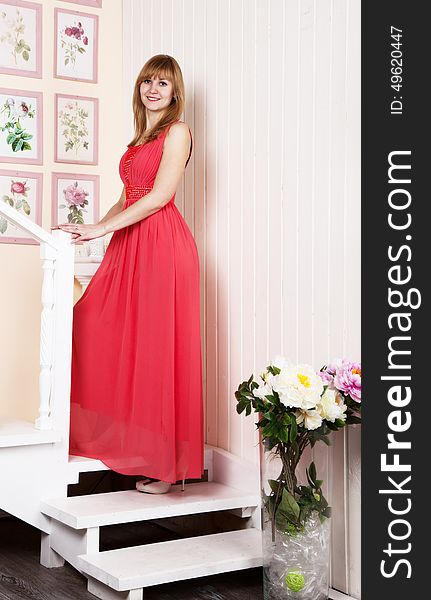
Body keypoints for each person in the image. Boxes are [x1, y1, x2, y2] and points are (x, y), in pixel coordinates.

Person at [53, 54, 204, 495]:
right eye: (146, 82)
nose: (152, 89)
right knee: (94, 325)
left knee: (156, 349)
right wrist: (92, 229)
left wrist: (102, 228)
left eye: (162, 83)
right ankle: (124, 442)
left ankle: (165, 467)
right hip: (130, 241)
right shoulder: (142, 139)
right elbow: (127, 196)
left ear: (175, 92)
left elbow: (159, 196)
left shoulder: (177, 132)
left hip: (161, 243)